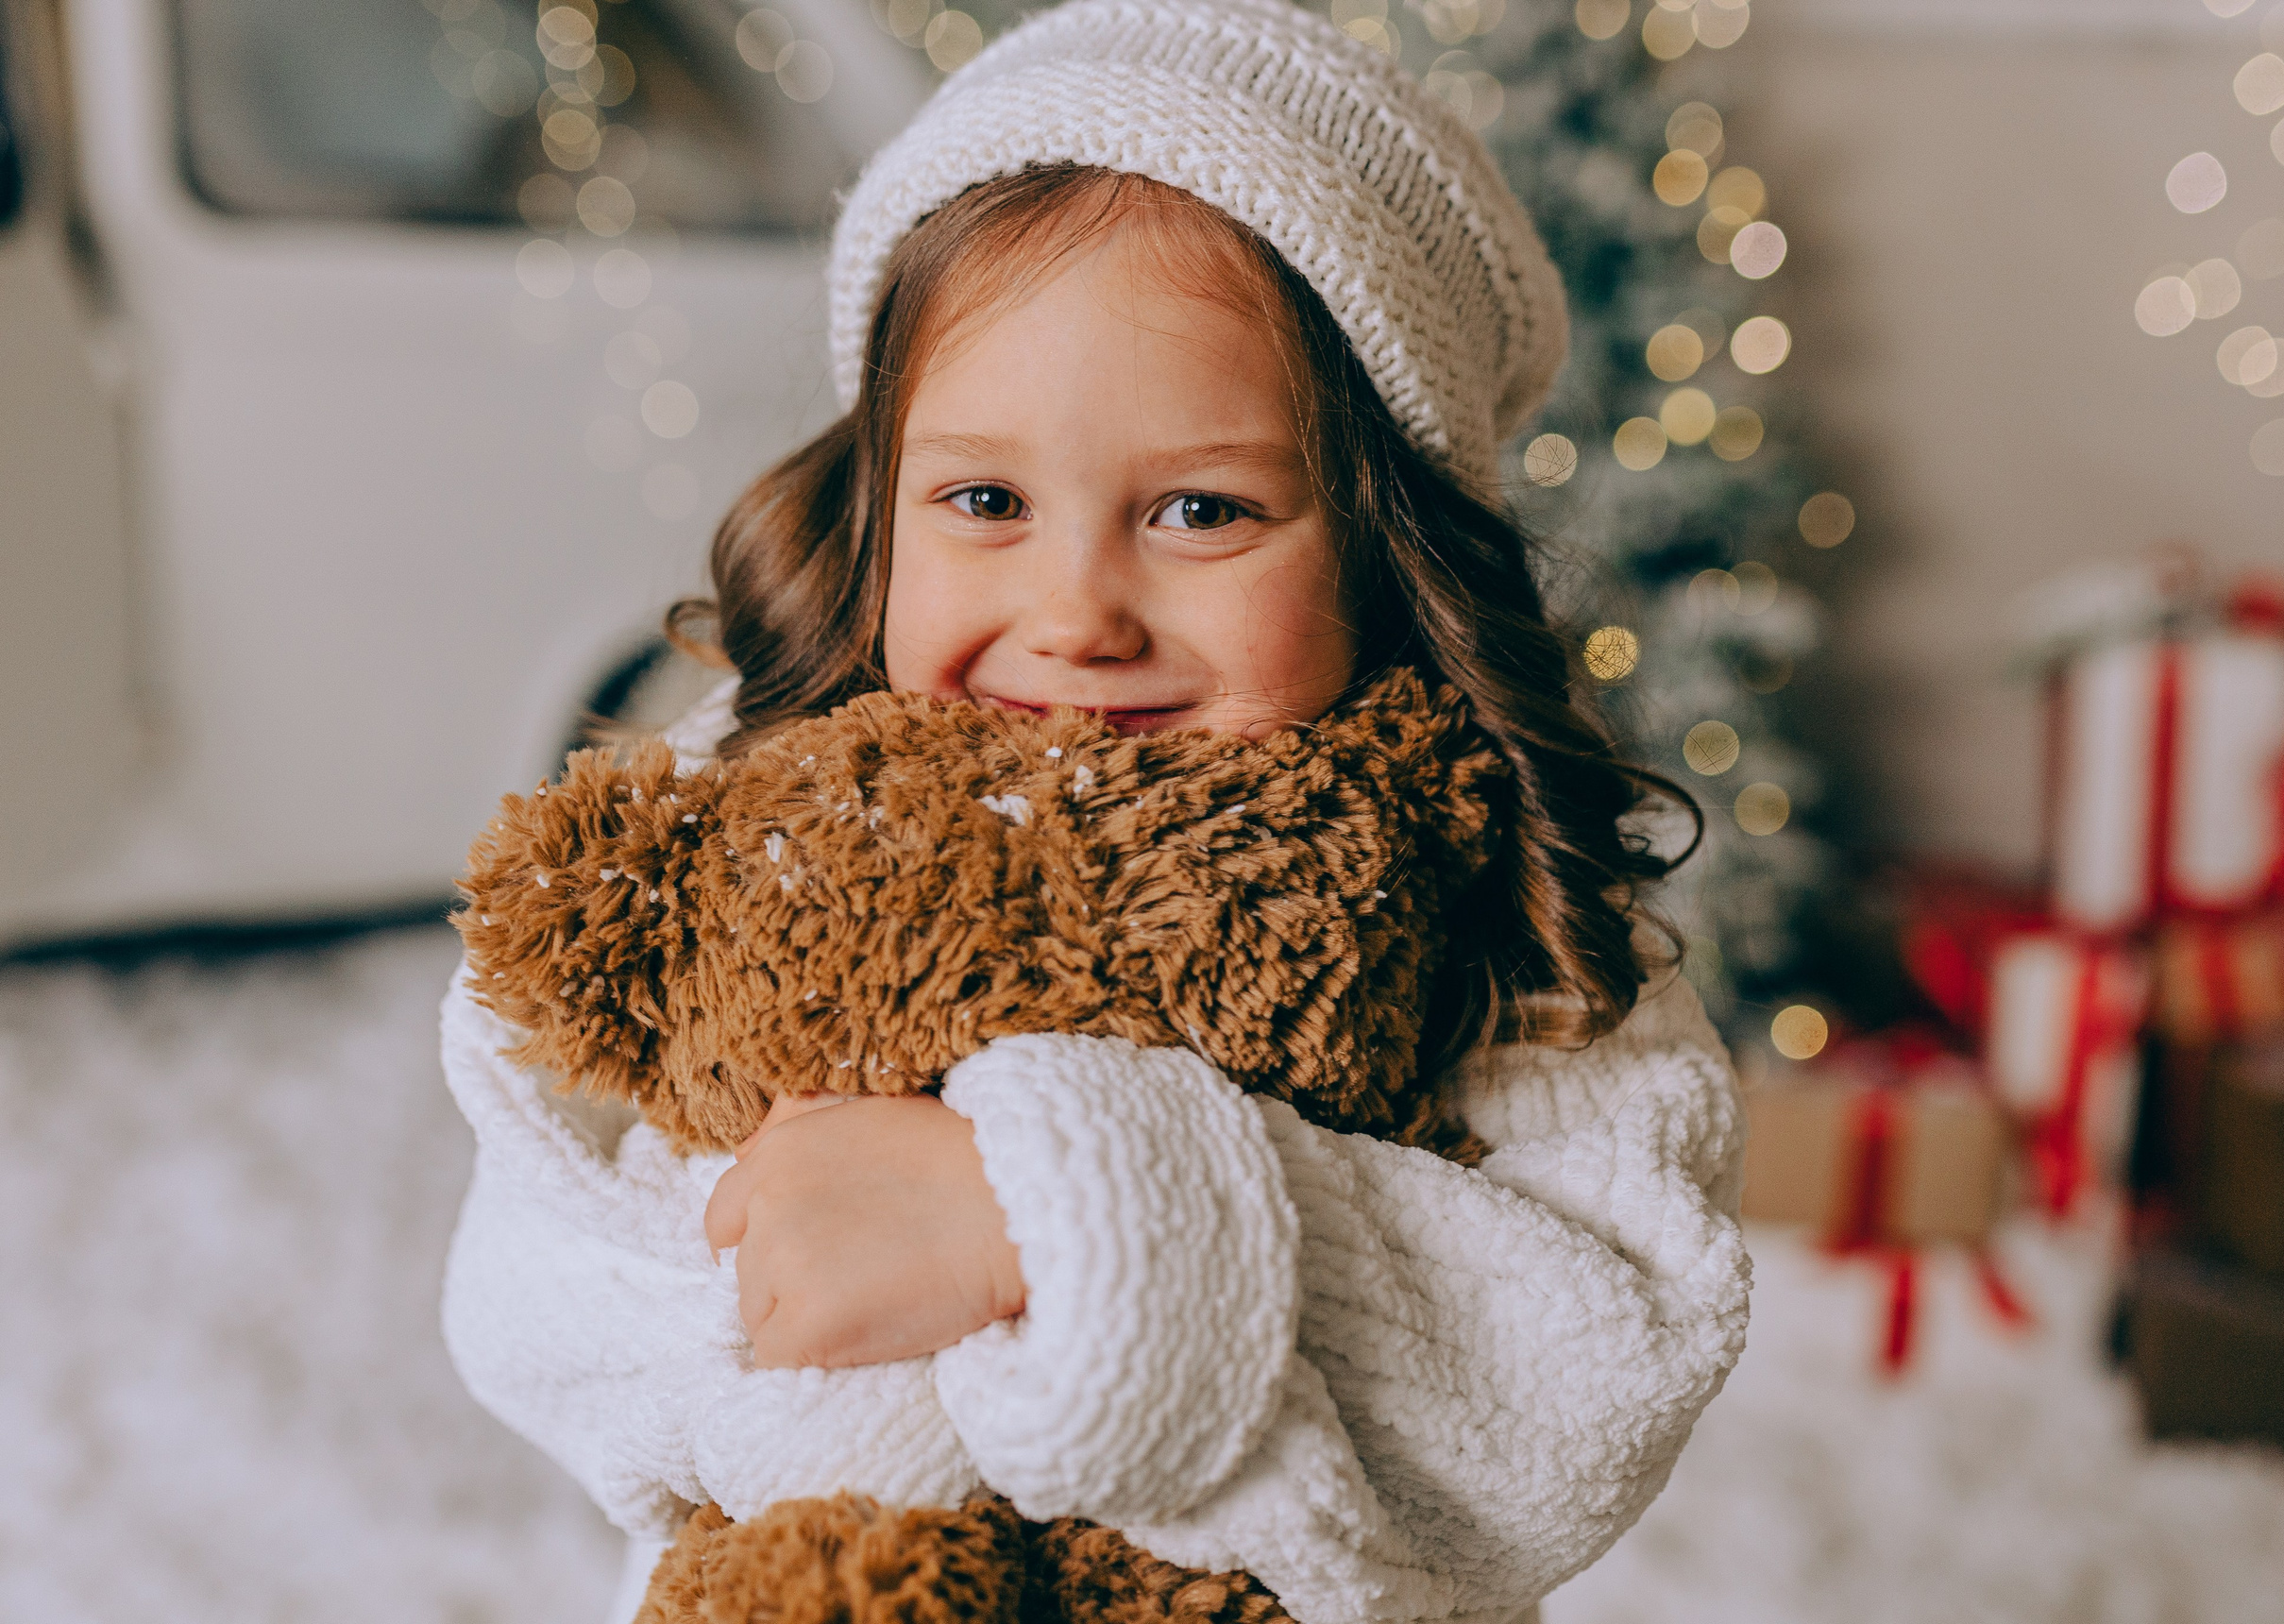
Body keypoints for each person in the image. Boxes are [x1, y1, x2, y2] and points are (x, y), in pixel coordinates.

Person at [439, 3, 1751, 1620]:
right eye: (984, 501)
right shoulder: (752, 810)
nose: (1077, 615)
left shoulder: (1504, 903)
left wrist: (1062, 1222)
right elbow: (536, 1295)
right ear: (880, 505)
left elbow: (1593, 1380)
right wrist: (811, 1319)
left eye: (1202, 510)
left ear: (1382, 546)